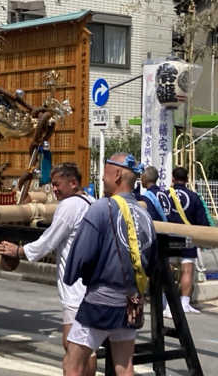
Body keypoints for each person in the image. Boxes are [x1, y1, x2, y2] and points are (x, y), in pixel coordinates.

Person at [62, 153, 157, 376]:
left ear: (116, 175)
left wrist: (72, 277)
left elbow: (81, 254)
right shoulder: (145, 214)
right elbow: (151, 261)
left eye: (104, 174)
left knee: (72, 363)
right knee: (124, 366)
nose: (101, 179)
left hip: (101, 300)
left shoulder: (102, 207)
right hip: (131, 301)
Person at [0, 163, 95, 373]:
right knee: (87, 348)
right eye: (53, 185)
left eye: (58, 185)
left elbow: (48, 241)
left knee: (72, 348)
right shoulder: (92, 201)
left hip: (75, 288)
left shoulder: (69, 206)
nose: (55, 189)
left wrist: (19, 252)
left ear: (73, 183)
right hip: (91, 285)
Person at [165, 166, 209, 315]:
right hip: (188, 238)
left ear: (172, 178)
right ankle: (184, 303)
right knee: (187, 270)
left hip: (169, 237)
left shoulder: (165, 195)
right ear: (187, 179)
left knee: (169, 270)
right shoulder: (194, 196)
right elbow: (202, 221)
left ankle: (166, 302)